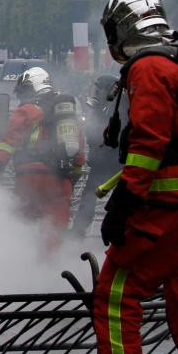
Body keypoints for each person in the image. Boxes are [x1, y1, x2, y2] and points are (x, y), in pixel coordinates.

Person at [85, 0, 178, 354]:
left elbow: (148, 145)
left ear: (121, 27)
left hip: (164, 206)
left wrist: (123, 204)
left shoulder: (150, 67)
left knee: (116, 297)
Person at [0, 67, 84, 239]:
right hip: (61, 178)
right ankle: (53, 264)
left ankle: (24, 262)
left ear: (32, 87)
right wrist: (73, 176)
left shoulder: (26, 110)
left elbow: (9, 142)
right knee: (55, 231)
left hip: (30, 176)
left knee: (24, 225)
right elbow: (79, 150)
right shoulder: (67, 111)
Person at [72, 75, 122, 237]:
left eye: (99, 89)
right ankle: (79, 229)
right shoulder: (102, 107)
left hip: (113, 161)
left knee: (115, 197)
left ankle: (119, 229)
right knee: (89, 195)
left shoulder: (118, 106)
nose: (97, 93)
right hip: (102, 160)